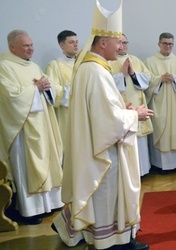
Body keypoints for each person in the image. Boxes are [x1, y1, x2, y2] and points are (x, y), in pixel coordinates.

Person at [51, 1, 151, 249]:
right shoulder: (95, 71)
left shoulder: (91, 66)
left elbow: (101, 110)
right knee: (106, 191)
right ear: (103, 42)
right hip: (103, 149)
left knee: (99, 193)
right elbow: (107, 120)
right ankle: (113, 241)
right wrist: (133, 115)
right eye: (118, 42)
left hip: (95, 142)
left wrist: (121, 110)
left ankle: (74, 226)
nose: (121, 47)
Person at [0, 30, 63, 225]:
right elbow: (10, 98)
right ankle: (30, 209)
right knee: (27, 167)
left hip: (42, 124)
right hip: (22, 129)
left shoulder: (34, 66)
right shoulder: (5, 67)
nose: (31, 49)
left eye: (31, 45)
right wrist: (35, 89)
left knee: (46, 162)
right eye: (26, 46)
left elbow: (49, 89)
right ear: (12, 48)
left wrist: (47, 87)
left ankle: (50, 203)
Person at [144, 32, 176, 174]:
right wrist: (160, 79)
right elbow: (147, 80)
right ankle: (162, 165)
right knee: (161, 130)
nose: (168, 46)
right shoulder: (149, 62)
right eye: (165, 43)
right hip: (160, 103)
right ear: (159, 44)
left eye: (170, 44)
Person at [108, 33, 153, 177]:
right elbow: (106, 85)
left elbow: (147, 80)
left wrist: (133, 74)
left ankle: (141, 172)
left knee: (138, 141)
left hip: (137, 106)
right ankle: (128, 176)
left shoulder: (136, 60)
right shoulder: (109, 61)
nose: (123, 46)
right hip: (121, 109)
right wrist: (121, 74)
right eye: (119, 42)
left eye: (125, 42)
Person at [45, 30, 78, 147]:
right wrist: (74, 92)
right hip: (66, 114)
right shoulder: (54, 65)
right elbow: (52, 90)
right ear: (62, 45)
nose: (76, 45)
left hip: (83, 112)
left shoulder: (83, 64)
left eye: (76, 42)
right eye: (71, 42)